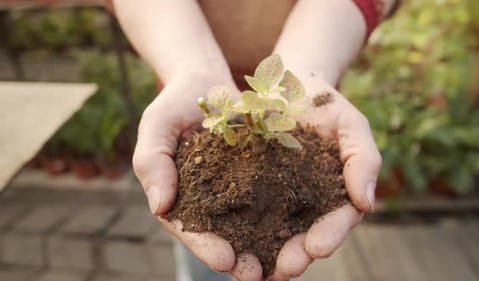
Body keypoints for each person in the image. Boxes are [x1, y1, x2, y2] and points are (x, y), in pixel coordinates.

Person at [108, 0, 399, 280]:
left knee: (287, 259)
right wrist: (190, 68)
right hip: (189, 91)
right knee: (204, 265)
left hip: (311, 63)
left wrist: (311, 66)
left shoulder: (284, 119)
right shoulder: (216, 120)